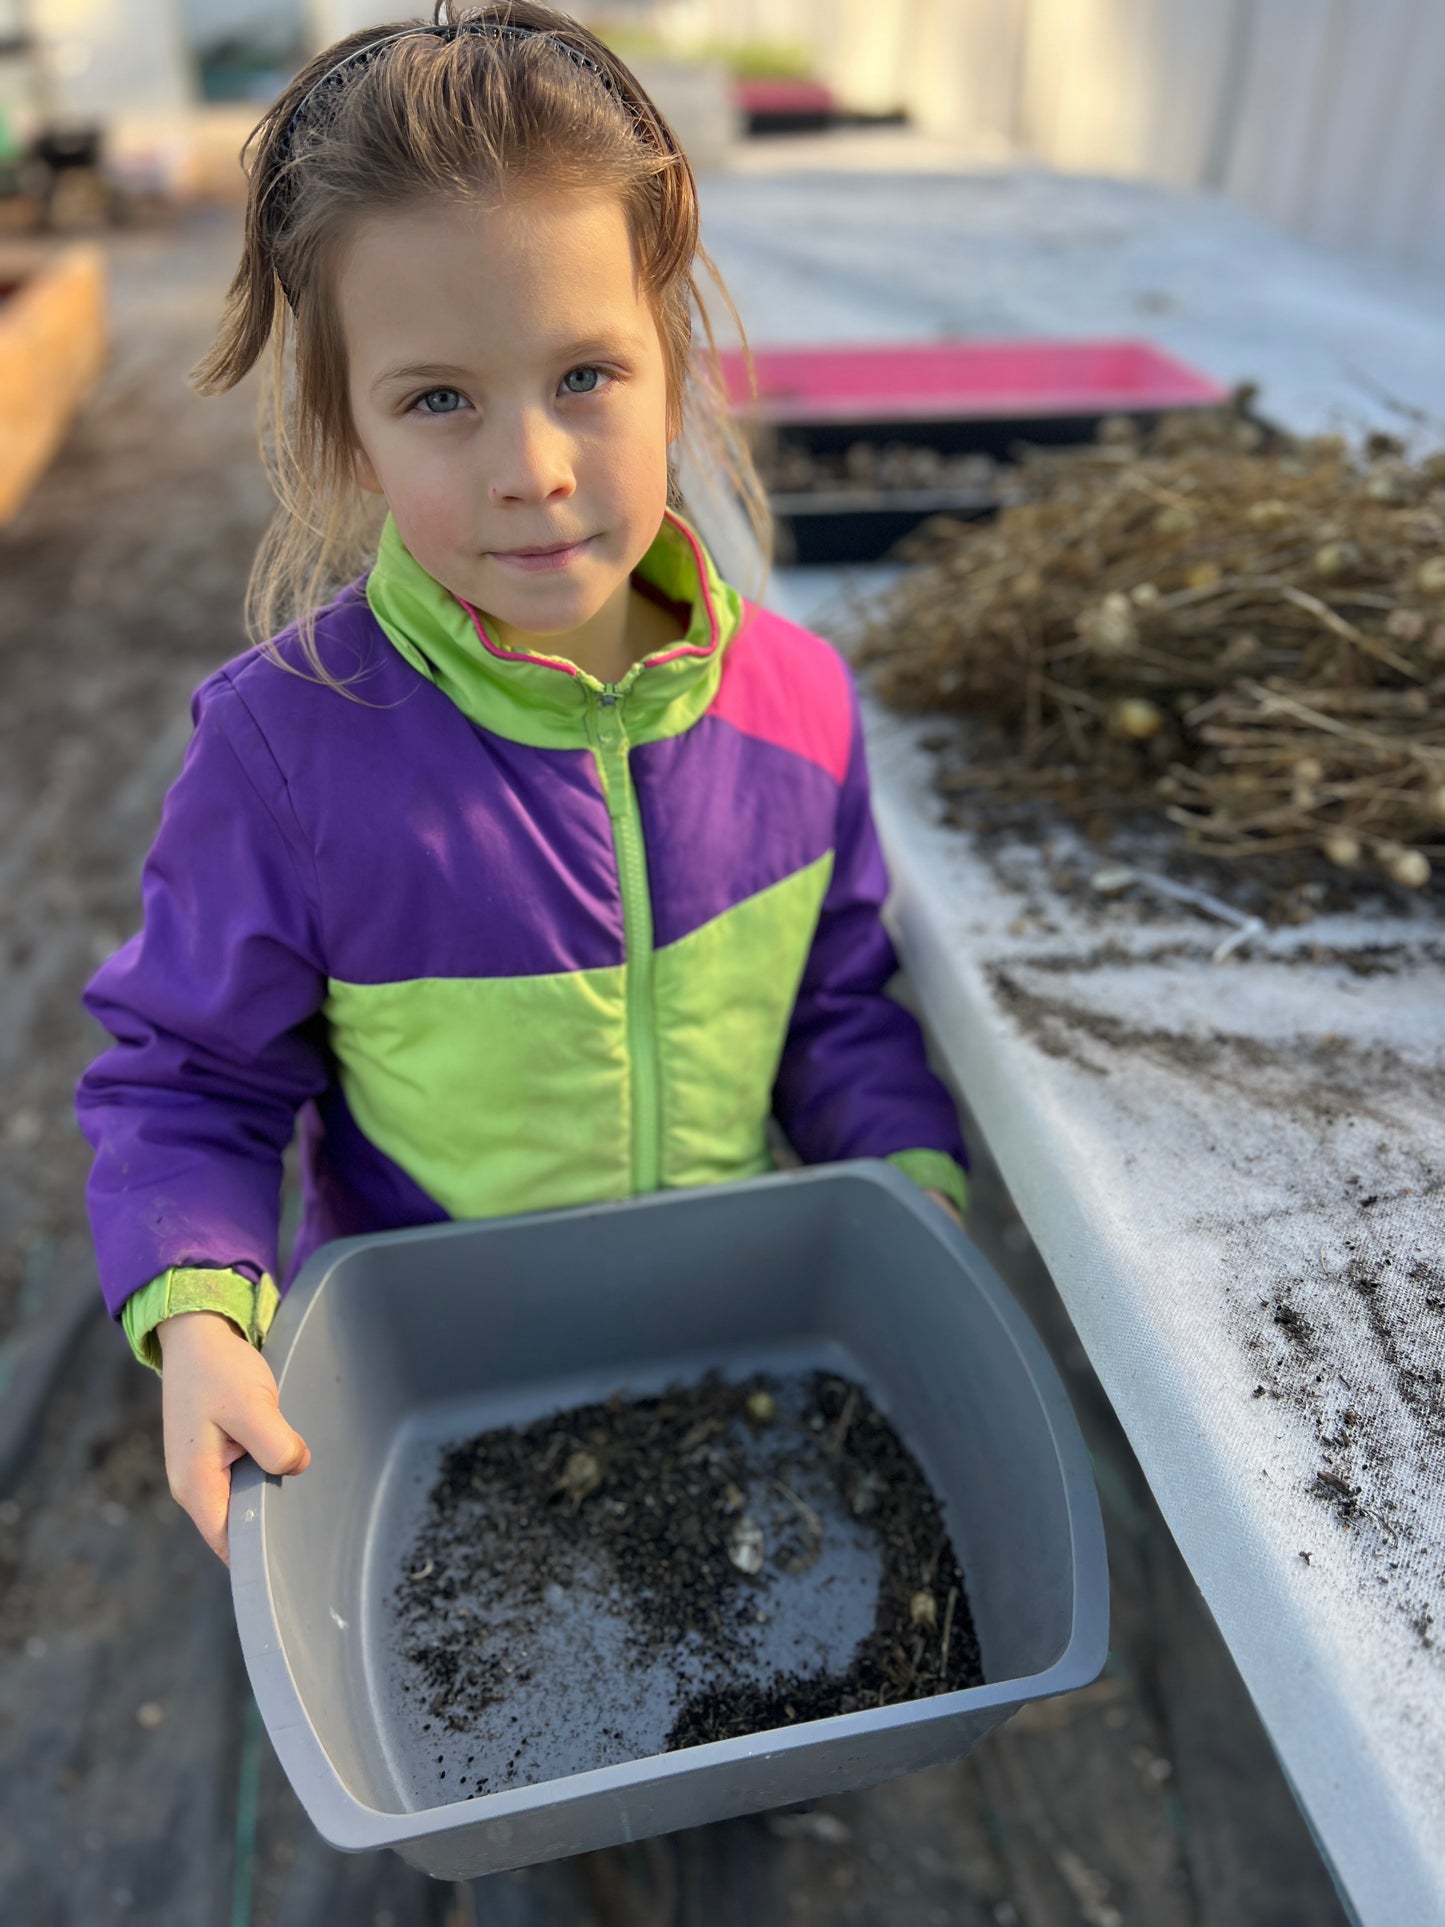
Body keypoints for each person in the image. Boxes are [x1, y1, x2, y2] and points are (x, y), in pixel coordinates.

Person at [75, 2, 969, 1565]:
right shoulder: (286, 755)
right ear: (344, 434)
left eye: (582, 374)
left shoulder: (798, 706)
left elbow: (837, 1009)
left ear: (672, 364)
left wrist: (906, 1198)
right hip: (443, 1389)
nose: (533, 468)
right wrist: (204, 1313)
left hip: (727, 1350)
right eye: (438, 399)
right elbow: (190, 1079)